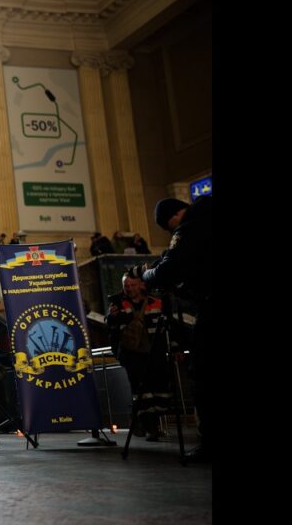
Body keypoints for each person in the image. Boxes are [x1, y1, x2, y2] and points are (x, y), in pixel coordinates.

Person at [141, 195, 212, 462]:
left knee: (203, 374)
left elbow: (167, 271)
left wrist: (147, 274)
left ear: (173, 218)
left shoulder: (190, 226)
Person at [107, 271, 169, 441]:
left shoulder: (156, 302)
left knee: (160, 391)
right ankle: (150, 427)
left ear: (141, 285)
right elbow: (110, 325)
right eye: (126, 285)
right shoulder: (118, 304)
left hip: (155, 353)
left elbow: (168, 326)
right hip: (132, 355)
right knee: (142, 391)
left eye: (132, 285)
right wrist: (112, 317)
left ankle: (140, 419)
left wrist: (175, 347)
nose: (129, 288)